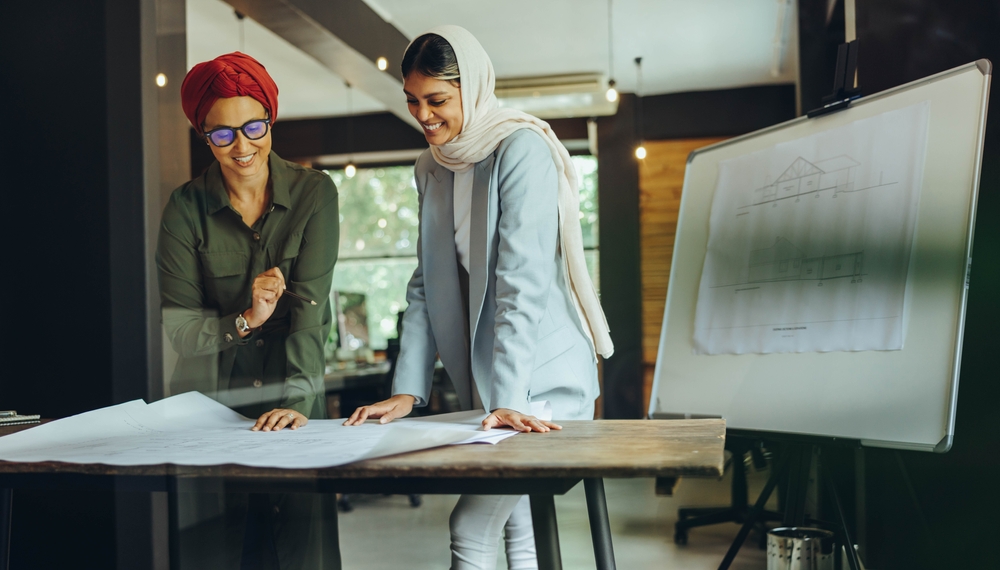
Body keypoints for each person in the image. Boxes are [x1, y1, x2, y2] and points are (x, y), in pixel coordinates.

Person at [344, 26, 614, 570]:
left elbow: (522, 282)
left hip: (544, 380)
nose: (423, 115)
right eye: (413, 101)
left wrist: (508, 400)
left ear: (474, 88)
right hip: (493, 381)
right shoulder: (430, 167)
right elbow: (425, 284)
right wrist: (408, 390)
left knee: (471, 523)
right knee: (518, 527)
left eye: (437, 100)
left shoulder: (522, 149)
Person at [157, 52, 340, 570]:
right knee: (215, 555)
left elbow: (309, 310)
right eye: (222, 134)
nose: (242, 146)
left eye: (253, 126)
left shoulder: (314, 194)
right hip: (208, 415)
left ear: (271, 119)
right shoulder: (184, 210)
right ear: (203, 134)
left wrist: (301, 402)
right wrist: (246, 321)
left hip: (293, 408)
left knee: (300, 555)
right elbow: (181, 331)